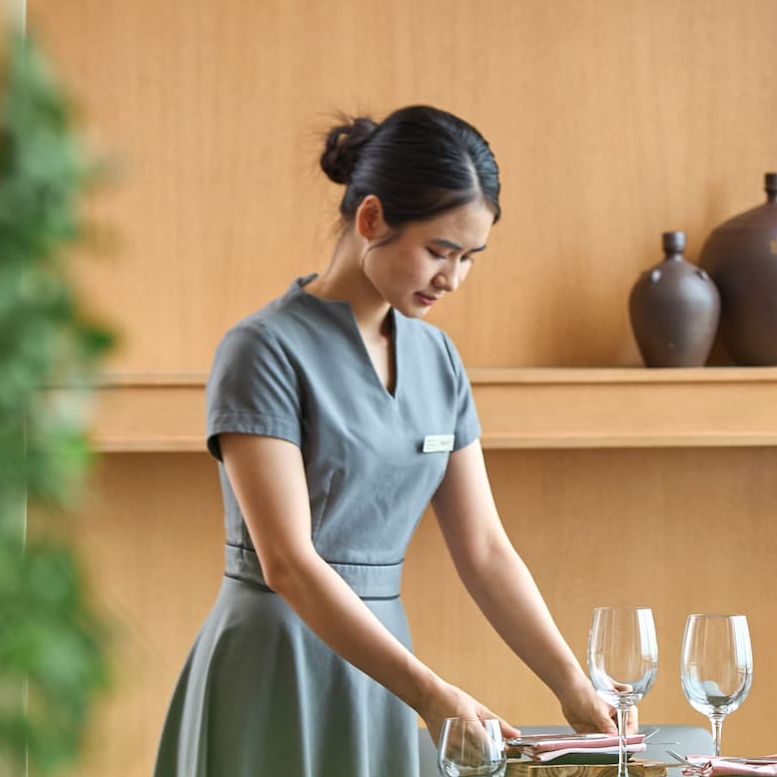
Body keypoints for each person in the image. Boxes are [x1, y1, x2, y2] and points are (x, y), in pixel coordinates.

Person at [155, 105, 617, 776]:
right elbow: (287, 563)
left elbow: (485, 550)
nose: (452, 278)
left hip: (386, 674)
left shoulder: (439, 360)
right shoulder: (261, 350)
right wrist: (429, 694)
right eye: (439, 251)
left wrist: (571, 683)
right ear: (371, 219)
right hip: (276, 665)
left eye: (469, 258)